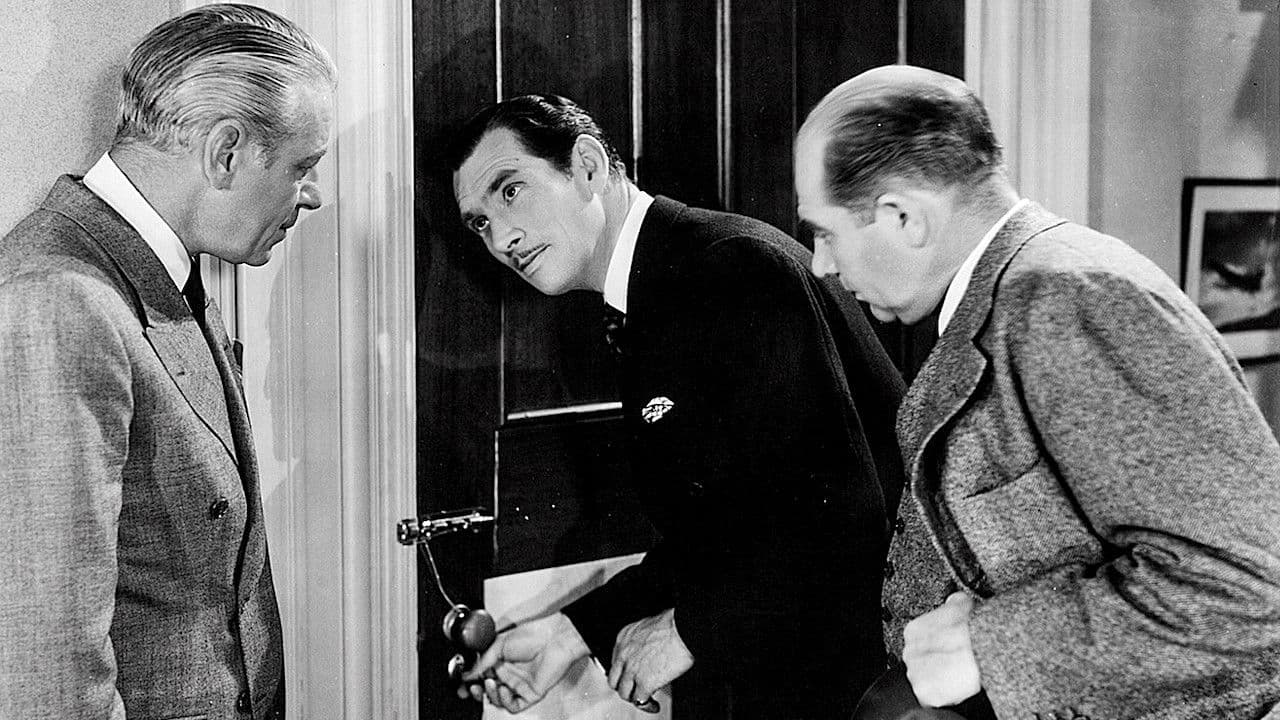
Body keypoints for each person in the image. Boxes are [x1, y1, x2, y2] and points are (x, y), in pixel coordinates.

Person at [795, 64, 1280, 720]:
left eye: (825, 232)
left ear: (904, 217)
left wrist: (987, 648)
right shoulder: (1011, 296)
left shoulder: (1070, 300)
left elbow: (1247, 595)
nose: (821, 265)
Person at [447, 94, 906, 719]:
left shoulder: (731, 269)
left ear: (587, 167)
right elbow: (722, 529)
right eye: (479, 222)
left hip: (860, 686)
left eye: (511, 191)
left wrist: (688, 631)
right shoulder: (659, 287)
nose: (502, 237)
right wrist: (572, 633)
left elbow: (842, 515)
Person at [0, 5, 335, 719]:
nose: (311, 195)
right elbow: (49, 677)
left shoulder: (157, 269)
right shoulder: (60, 298)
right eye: (301, 167)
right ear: (226, 152)